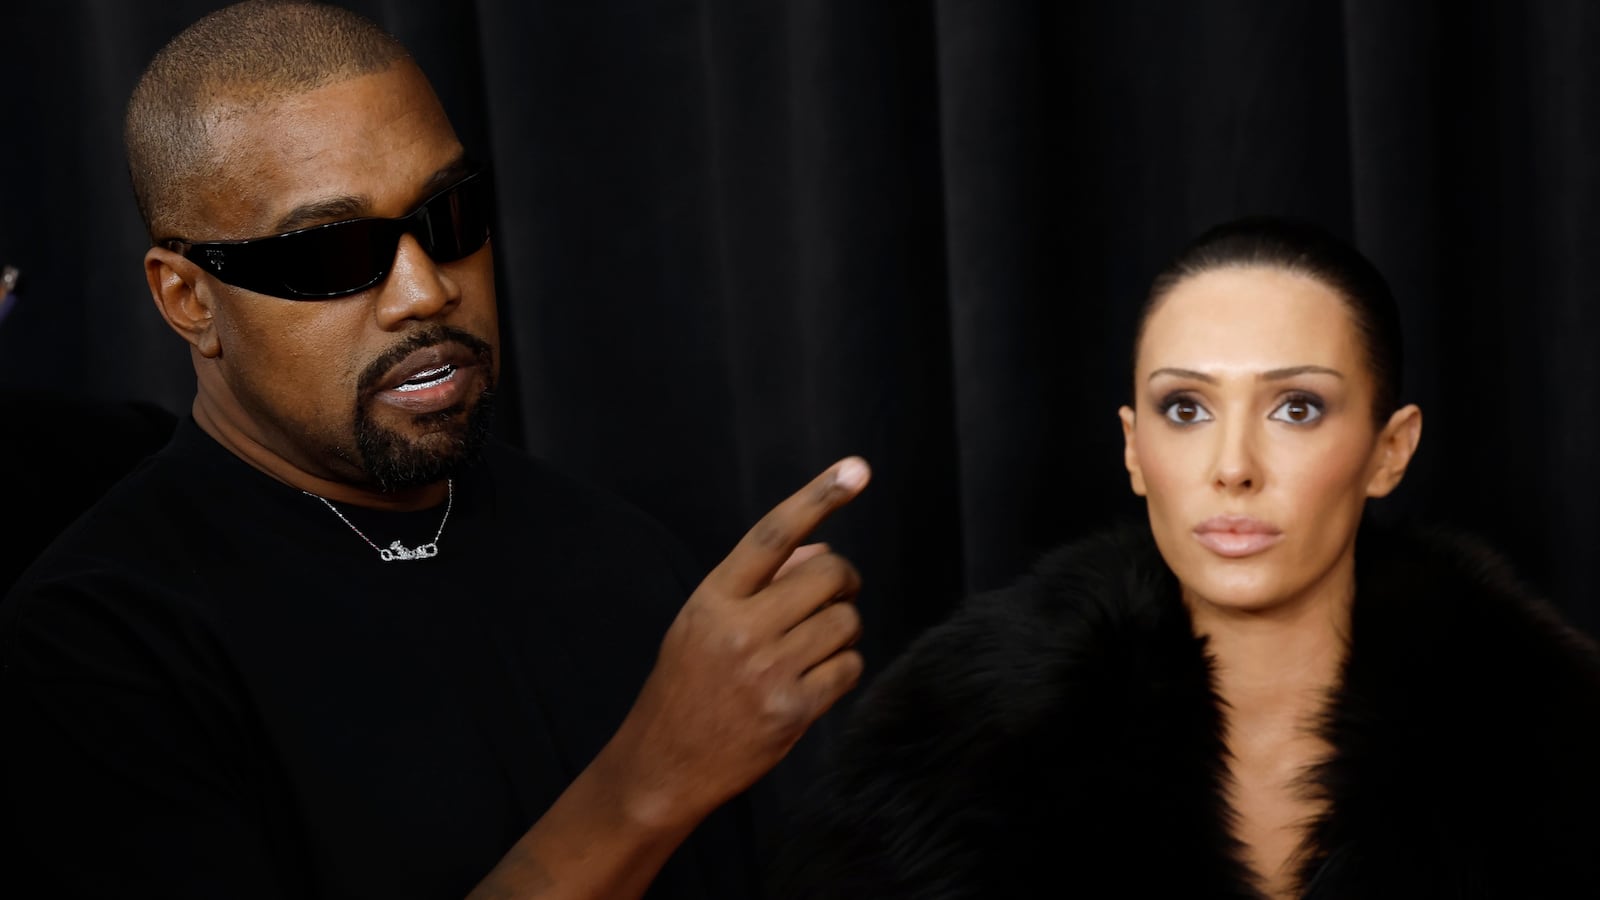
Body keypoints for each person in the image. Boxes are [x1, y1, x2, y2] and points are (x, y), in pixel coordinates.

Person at [0, 3, 870, 898]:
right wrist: (647, 784)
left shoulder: (622, 555)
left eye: (449, 215)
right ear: (187, 299)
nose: (425, 291)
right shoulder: (98, 643)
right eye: (334, 251)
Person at [775, 216, 1600, 898]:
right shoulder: (945, 766)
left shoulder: (1558, 760)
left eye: (1298, 407)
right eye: (1186, 408)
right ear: (1134, 449)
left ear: (1391, 450)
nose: (1233, 466)